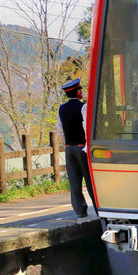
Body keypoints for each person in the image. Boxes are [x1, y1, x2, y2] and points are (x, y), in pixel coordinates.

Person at [58, 77, 95, 218]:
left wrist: (66, 145)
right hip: (82, 147)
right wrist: (87, 146)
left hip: (69, 148)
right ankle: (98, 208)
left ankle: (80, 211)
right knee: (90, 180)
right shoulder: (83, 107)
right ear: (77, 92)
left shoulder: (61, 109)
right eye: (81, 89)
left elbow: (59, 130)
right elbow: (87, 127)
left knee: (74, 181)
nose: (82, 91)